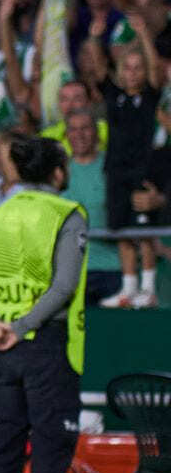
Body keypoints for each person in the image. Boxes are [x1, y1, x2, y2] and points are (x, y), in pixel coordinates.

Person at [0, 135, 101, 473]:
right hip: (46, 343)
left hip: (1, 347)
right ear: (58, 173)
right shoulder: (66, 214)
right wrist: (23, 326)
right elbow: (64, 286)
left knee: (2, 445)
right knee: (51, 446)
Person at [90, 17, 164, 309]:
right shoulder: (114, 96)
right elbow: (98, 70)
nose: (133, 73)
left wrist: (145, 33)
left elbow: (158, 71)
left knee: (142, 230)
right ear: (121, 71)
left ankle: (148, 288)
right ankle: (129, 287)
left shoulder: (149, 97)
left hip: (142, 171)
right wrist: (95, 39)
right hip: (116, 171)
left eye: (138, 68)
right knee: (120, 229)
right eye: (128, 68)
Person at [61, 110, 123, 304]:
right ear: (66, 135)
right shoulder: (56, 171)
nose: (79, 134)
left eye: (85, 128)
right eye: (73, 129)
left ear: (96, 132)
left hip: (112, 268)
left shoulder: (113, 166)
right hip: (71, 272)